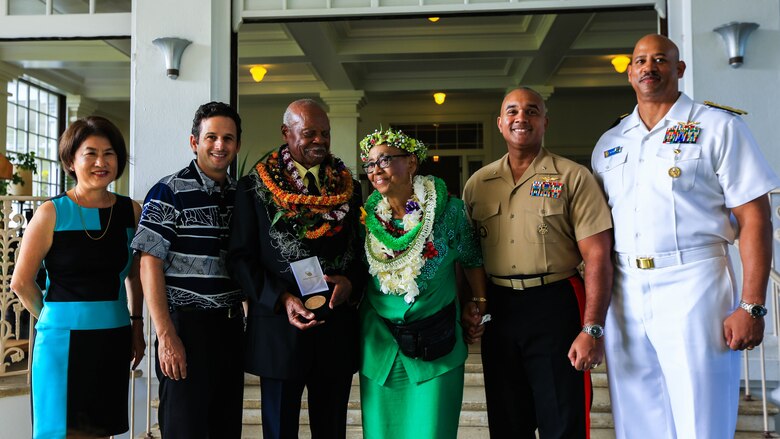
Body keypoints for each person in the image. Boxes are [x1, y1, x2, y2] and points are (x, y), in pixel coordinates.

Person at [591, 34, 780, 439]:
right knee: (637, 417)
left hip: (695, 281)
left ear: (679, 70)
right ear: (629, 73)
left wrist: (752, 305)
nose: (648, 66)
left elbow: (756, 219)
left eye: (660, 59)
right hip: (626, 289)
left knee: (701, 415)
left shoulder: (718, 126)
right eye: (639, 60)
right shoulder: (610, 143)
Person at [462, 87, 613, 438]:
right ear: (500, 123)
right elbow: (468, 257)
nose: (521, 118)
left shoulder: (572, 177)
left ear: (545, 122)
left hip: (556, 303)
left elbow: (597, 256)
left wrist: (593, 328)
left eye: (531, 111)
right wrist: (470, 305)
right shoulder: (478, 184)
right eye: (512, 111)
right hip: (499, 309)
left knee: (562, 417)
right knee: (507, 419)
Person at [227, 98, 365, 439]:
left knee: (332, 430)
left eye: (325, 133)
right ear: (286, 133)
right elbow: (239, 258)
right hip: (279, 332)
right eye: (309, 133)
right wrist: (281, 298)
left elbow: (366, 254)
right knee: (279, 431)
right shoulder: (253, 188)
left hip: (336, 331)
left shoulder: (351, 187)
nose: (319, 140)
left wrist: (351, 284)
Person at [12, 116, 145, 438]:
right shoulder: (51, 213)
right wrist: (54, 317)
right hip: (61, 341)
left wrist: (137, 326)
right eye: (91, 153)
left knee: (103, 431)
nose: (101, 162)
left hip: (113, 336)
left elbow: (135, 278)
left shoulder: (132, 211)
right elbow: (21, 281)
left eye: (109, 153)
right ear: (71, 160)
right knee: (61, 432)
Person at [357, 127, 487, 438]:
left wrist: (479, 303)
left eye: (385, 160)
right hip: (381, 349)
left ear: (412, 163)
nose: (376, 169)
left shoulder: (450, 212)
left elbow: (471, 260)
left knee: (432, 431)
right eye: (370, 163)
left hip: (436, 347)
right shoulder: (367, 219)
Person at [131, 102, 245, 438]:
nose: (220, 145)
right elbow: (148, 262)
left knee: (225, 430)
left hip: (229, 329)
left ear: (237, 144)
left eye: (228, 138)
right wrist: (165, 336)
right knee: (184, 431)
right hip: (184, 329)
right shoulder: (169, 191)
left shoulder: (242, 196)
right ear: (194, 142)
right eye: (211, 137)